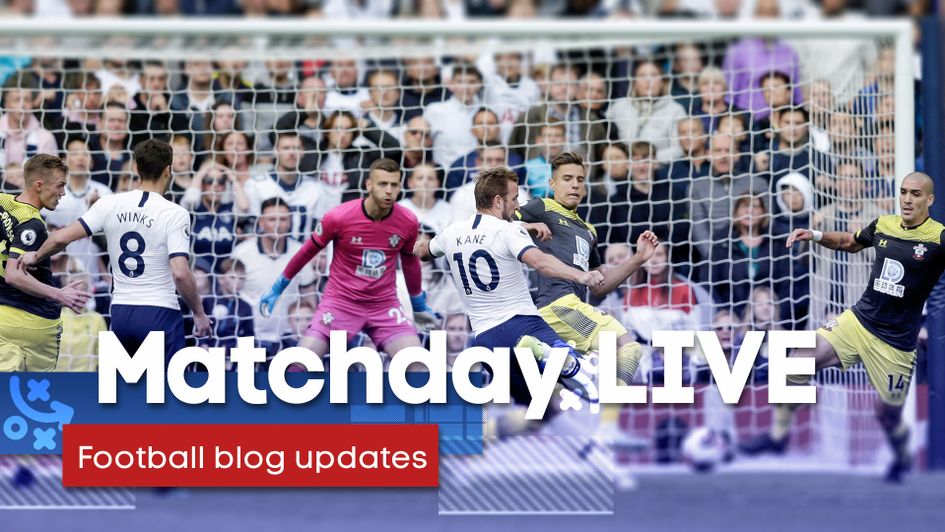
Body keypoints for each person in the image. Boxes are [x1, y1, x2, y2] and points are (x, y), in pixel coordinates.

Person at [740, 172, 945, 483]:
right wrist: (815, 234)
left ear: (930, 199)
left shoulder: (939, 238)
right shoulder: (884, 224)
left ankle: (902, 456)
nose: (906, 199)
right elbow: (850, 242)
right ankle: (778, 436)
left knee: (887, 415)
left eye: (915, 194)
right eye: (903, 192)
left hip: (896, 343)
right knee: (794, 364)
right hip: (858, 321)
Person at [413, 165, 605, 409]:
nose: (517, 206)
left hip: (486, 339)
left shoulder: (451, 234)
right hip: (523, 325)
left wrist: (410, 242)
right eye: (514, 199)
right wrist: (581, 276)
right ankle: (552, 355)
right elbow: (540, 262)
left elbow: (423, 251)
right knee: (586, 378)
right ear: (497, 201)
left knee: (536, 408)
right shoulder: (508, 230)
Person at [20, 140, 211, 358]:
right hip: (160, 311)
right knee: (166, 381)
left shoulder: (109, 204)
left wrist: (36, 255)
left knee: (122, 381)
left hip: (121, 313)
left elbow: (61, 238)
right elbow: (180, 272)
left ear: (136, 168)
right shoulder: (174, 213)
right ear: (168, 170)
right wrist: (199, 313)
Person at [516, 152, 659, 443]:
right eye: (567, 179)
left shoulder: (588, 230)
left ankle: (540, 356)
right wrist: (528, 226)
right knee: (627, 347)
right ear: (552, 183)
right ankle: (607, 428)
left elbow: (599, 287)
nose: (575, 185)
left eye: (580, 180)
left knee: (556, 402)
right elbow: (498, 223)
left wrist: (638, 259)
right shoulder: (542, 206)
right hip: (557, 305)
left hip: (571, 310)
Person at [258, 158, 439, 362]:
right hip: (341, 302)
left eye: (394, 185)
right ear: (369, 185)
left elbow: (410, 263)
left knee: (417, 364)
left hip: (383, 305)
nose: (389, 190)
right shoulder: (339, 217)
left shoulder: (407, 221)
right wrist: (278, 287)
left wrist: (418, 305)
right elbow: (306, 252)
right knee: (301, 362)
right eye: (382, 184)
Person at [0, 154, 89, 372]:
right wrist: (59, 294)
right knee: (39, 390)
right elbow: (13, 274)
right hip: (37, 321)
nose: (63, 193)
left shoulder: (3, 202)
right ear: (39, 185)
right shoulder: (33, 223)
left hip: (3, 318)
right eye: (60, 185)